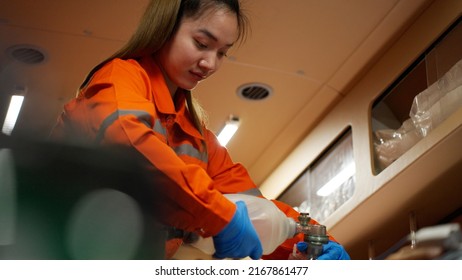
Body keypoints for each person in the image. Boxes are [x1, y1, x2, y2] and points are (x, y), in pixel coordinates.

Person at [50, 0, 349, 260]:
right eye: (202, 44)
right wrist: (221, 216)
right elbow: (132, 147)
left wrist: (318, 243)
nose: (210, 64)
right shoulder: (119, 80)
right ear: (164, 27)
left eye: (222, 53)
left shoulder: (195, 136)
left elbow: (257, 210)